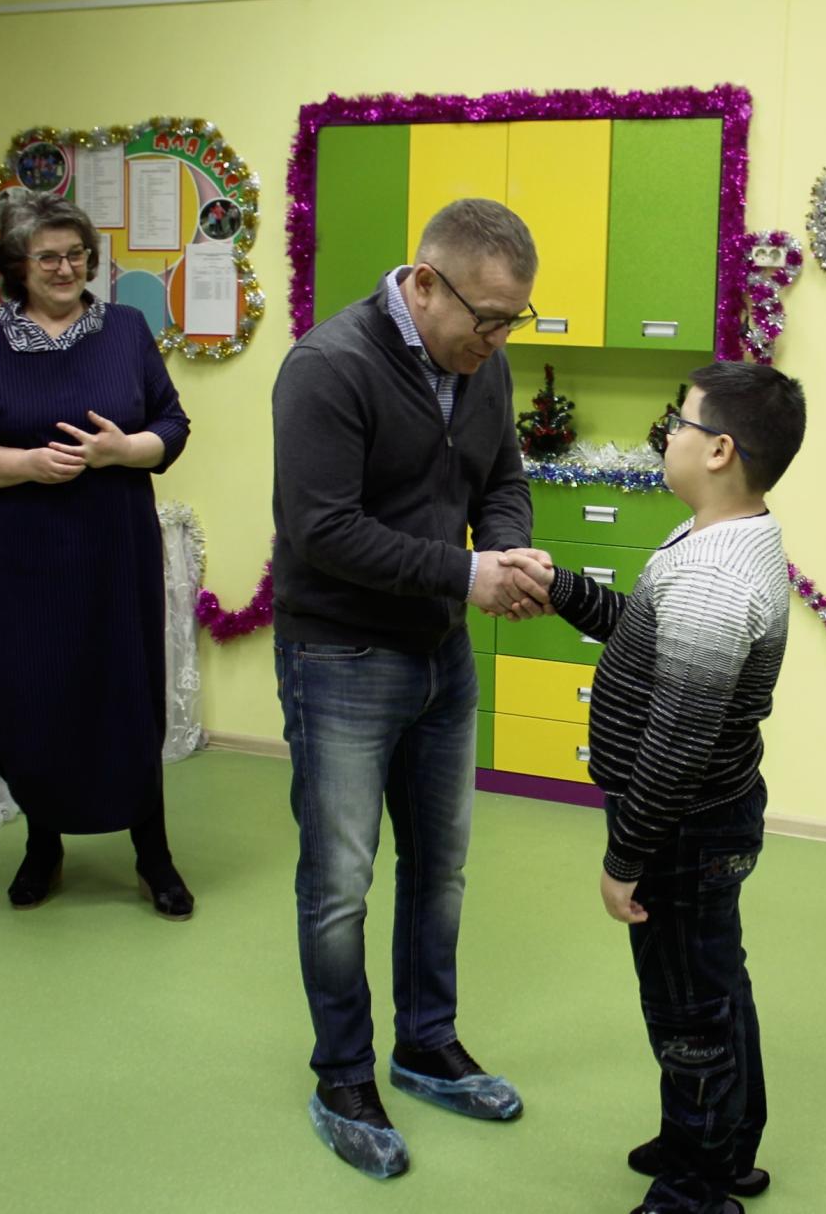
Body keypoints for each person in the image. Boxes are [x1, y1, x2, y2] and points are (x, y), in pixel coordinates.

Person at [271, 198, 547, 1180]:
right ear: (424, 283)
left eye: (512, 320)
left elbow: (500, 477)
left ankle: (425, 1043)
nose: (497, 340)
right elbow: (323, 529)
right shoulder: (329, 367)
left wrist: (508, 548)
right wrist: (466, 573)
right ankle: (342, 1074)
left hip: (440, 654)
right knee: (340, 882)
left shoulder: (481, 360)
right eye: (487, 318)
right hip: (340, 657)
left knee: (441, 867)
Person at [501, 361, 807, 1214]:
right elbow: (645, 627)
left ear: (719, 449)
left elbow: (675, 746)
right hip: (706, 815)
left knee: (688, 1011)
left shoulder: (715, 576)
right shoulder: (719, 537)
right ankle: (720, 1146)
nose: (666, 432)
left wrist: (625, 858)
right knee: (714, 981)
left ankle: (696, 1189)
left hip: (682, 828)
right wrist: (563, 589)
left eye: (680, 420)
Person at [0, 192, 192, 917]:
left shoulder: (126, 329)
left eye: (76, 254)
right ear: (18, 265)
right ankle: (42, 845)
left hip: (115, 550)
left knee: (125, 695)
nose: (65, 267)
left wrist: (122, 451)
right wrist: (24, 465)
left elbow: (173, 424)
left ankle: (153, 852)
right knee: (34, 695)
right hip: (27, 557)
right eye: (47, 256)